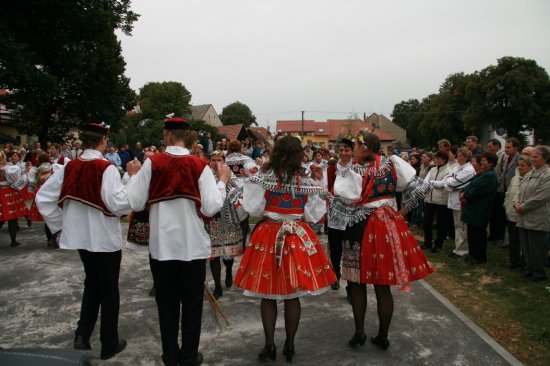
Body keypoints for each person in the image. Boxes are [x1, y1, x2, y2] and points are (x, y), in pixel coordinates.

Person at [127, 115, 230, 366]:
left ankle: (170, 356)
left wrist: (133, 176)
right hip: (192, 246)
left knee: (167, 304)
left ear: (167, 135)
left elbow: (136, 202)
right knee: (192, 304)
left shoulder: (153, 163)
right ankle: (188, 356)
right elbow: (210, 207)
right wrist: (223, 182)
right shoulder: (199, 165)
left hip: (162, 247)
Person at [234, 136, 336, 363]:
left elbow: (254, 208)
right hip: (297, 235)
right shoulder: (307, 181)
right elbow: (312, 216)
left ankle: (269, 344)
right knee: (293, 295)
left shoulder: (263, 177)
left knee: (267, 293)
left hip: (269, 233)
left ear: (276, 151)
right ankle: (290, 344)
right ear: (299, 154)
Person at [36, 122, 132, 360]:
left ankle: (82, 335)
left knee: (92, 284)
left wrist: (62, 225)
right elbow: (118, 204)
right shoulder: (106, 168)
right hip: (103, 238)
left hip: (80, 238)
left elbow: (43, 198)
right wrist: (132, 181)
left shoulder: (69, 167)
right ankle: (109, 343)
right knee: (109, 290)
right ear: (103, 141)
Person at [330, 132, 433, 350]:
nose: (355, 150)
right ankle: (383, 336)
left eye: (357, 147)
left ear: (364, 148)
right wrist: (402, 210)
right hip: (387, 225)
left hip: (359, 225)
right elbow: (420, 187)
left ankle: (359, 333)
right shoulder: (392, 164)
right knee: (382, 285)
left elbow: (344, 198)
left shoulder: (353, 169)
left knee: (356, 282)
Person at [205, 151, 243, 299]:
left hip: (229, 219)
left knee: (228, 255)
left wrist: (228, 182)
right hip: (212, 220)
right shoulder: (206, 176)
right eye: (213, 160)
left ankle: (228, 271)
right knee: (214, 255)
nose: (216, 163)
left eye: (219, 160)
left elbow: (240, 192)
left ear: (224, 161)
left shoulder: (231, 174)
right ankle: (217, 286)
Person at [514, 146, 550, 281]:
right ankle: (529, 269)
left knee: (537, 247)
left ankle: (539, 273)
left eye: (535, 157)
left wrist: (523, 207)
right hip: (524, 216)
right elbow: (520, 189)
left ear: (545, 158)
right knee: (526, 246)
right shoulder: (532, 172)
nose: (532, 159)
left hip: (537, 217)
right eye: (532, 157)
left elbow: (541, 196)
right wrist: (516, 202)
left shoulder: (547, 174)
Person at [437, 148, 476, 259]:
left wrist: (450, 182)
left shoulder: (468, 169)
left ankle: (462, 250)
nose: (458, 157)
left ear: (466, 157)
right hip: (453, 199)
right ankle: (457, 248)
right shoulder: (457, 167)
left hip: (461, 201)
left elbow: (454, 183)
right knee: (457, 226)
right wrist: (450, 182)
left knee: (462, 227)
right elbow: (447, 179)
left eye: (461, 156)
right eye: (458, 155)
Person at [460, 152, 499, 264]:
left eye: (484, 161)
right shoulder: (483, 173)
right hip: (472, 207)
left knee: (478, 233)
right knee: (471, 232)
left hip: (480, 208)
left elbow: (478, 189)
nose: (481, 162)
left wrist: (466, 195)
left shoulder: (490, 176)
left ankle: (479, 256)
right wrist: (464, 193)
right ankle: (472, 254)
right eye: (481, 160)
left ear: (491, 163)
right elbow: (471, 185)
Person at [327, 138, 354, 292]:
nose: (344, 153)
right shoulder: (332, 168)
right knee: (336, 248)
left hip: (352, 213)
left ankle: (351, 284)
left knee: (350, 249)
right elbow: (329, 187)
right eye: (341, 150)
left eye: (347, 150)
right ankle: (335, 275)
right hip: (335, 212)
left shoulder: (357, 168)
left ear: (352, 152)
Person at [490, 137, 520, 246]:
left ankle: (511, 240)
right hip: (504, 188)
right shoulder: (506, 158)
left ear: (516, 148)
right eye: (505, 147)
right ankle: (501, 238)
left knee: (511, 218)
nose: (506, 149)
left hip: (514, 189)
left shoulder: (518, 158)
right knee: (502, 215)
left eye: (509, 147)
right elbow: (503, 171)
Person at [504, 154, 532, 269]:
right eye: (518, 165)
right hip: (511, 213)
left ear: (530, 166)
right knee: (513, 240)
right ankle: (514, 261)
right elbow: (508, 194)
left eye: (523, 165)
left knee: (525, 242)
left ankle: (526, 263)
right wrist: (506, 205)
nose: (520, 168)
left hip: (523, 214)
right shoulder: (515, 178)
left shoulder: (531, 178)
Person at [27, 153, 60, 247]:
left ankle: (49, 238)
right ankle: (54, 237)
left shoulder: (35, 169)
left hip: (41, 192)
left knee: (46, 217)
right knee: (54, 215)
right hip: (52, 192)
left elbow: (31, 182)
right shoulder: (53, 166)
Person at [0, 150, 29, 247]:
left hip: (4, 191)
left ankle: (13, 241)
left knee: (3, 218)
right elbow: (14, 180)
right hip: (8, 192)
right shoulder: (8, 168)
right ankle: (13, 241)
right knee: (12, 218)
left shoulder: (8, 167)